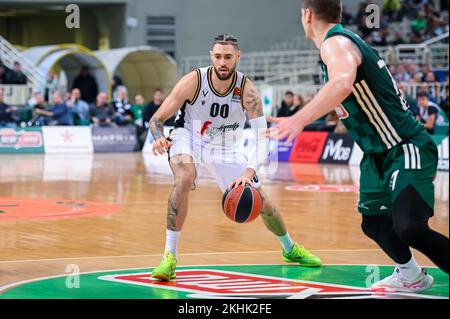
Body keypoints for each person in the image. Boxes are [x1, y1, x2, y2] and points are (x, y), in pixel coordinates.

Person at [267, 0, 449, 293]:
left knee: (410, 227)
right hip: (375, 155)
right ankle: (411, 275)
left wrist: (298, 119)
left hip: (404, 146)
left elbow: (342, 83)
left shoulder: (335, 43)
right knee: (374, 223)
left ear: (307, 14)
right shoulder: (339, 46)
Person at [149, 34, 322, 281]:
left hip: (224, 147)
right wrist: (158, 136)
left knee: (263, 203)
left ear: (237, 57)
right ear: (211, 56)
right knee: (185, 178)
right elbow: (156, 118)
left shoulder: (247, 91)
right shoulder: (193, 81)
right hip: (188, 136)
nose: (223, 62)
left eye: (228, 57)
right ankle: (169, 257)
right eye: (218, 56)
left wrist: (248, 173)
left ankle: (289, 248)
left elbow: (263, 139)